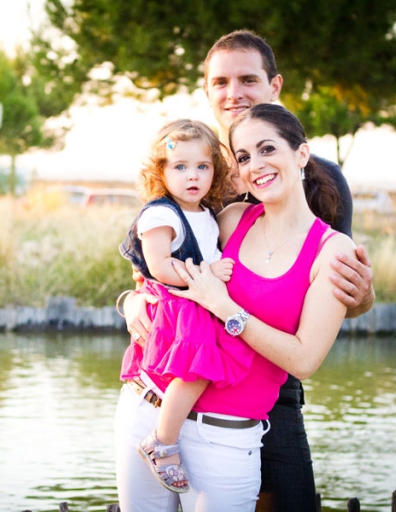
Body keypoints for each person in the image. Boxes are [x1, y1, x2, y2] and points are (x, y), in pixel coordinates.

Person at [121, 29, 375, 511]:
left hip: (266, 394)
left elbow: (336, 295)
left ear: (274, 87)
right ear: (208, 90)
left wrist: (362, 297)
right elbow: (161, 259)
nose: (233, 92)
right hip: (178, 376)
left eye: (247, 79)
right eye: (220, 82)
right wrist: (130, 298)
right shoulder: (193, 168)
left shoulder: (320, 180)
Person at [118, 119, 257, 494]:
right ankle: (162, 439)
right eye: (180, 167)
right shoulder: (159, 214)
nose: (192, 176)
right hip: (178, 305)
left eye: (203, 167)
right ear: (160, 172)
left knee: (204, 369)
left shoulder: (205, 214)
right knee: (197, 370)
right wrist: (208, 271)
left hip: (199, 303)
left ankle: (166, 434)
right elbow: (160, 266)